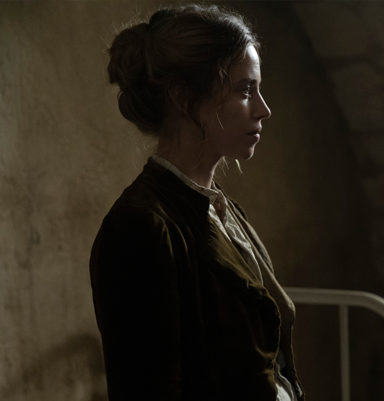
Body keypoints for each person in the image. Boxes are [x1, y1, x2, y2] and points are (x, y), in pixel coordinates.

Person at [90, 5, 302, 400]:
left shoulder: (222, 209)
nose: (264, 109)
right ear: (183, 96)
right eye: (245, 90)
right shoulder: (140, 226)